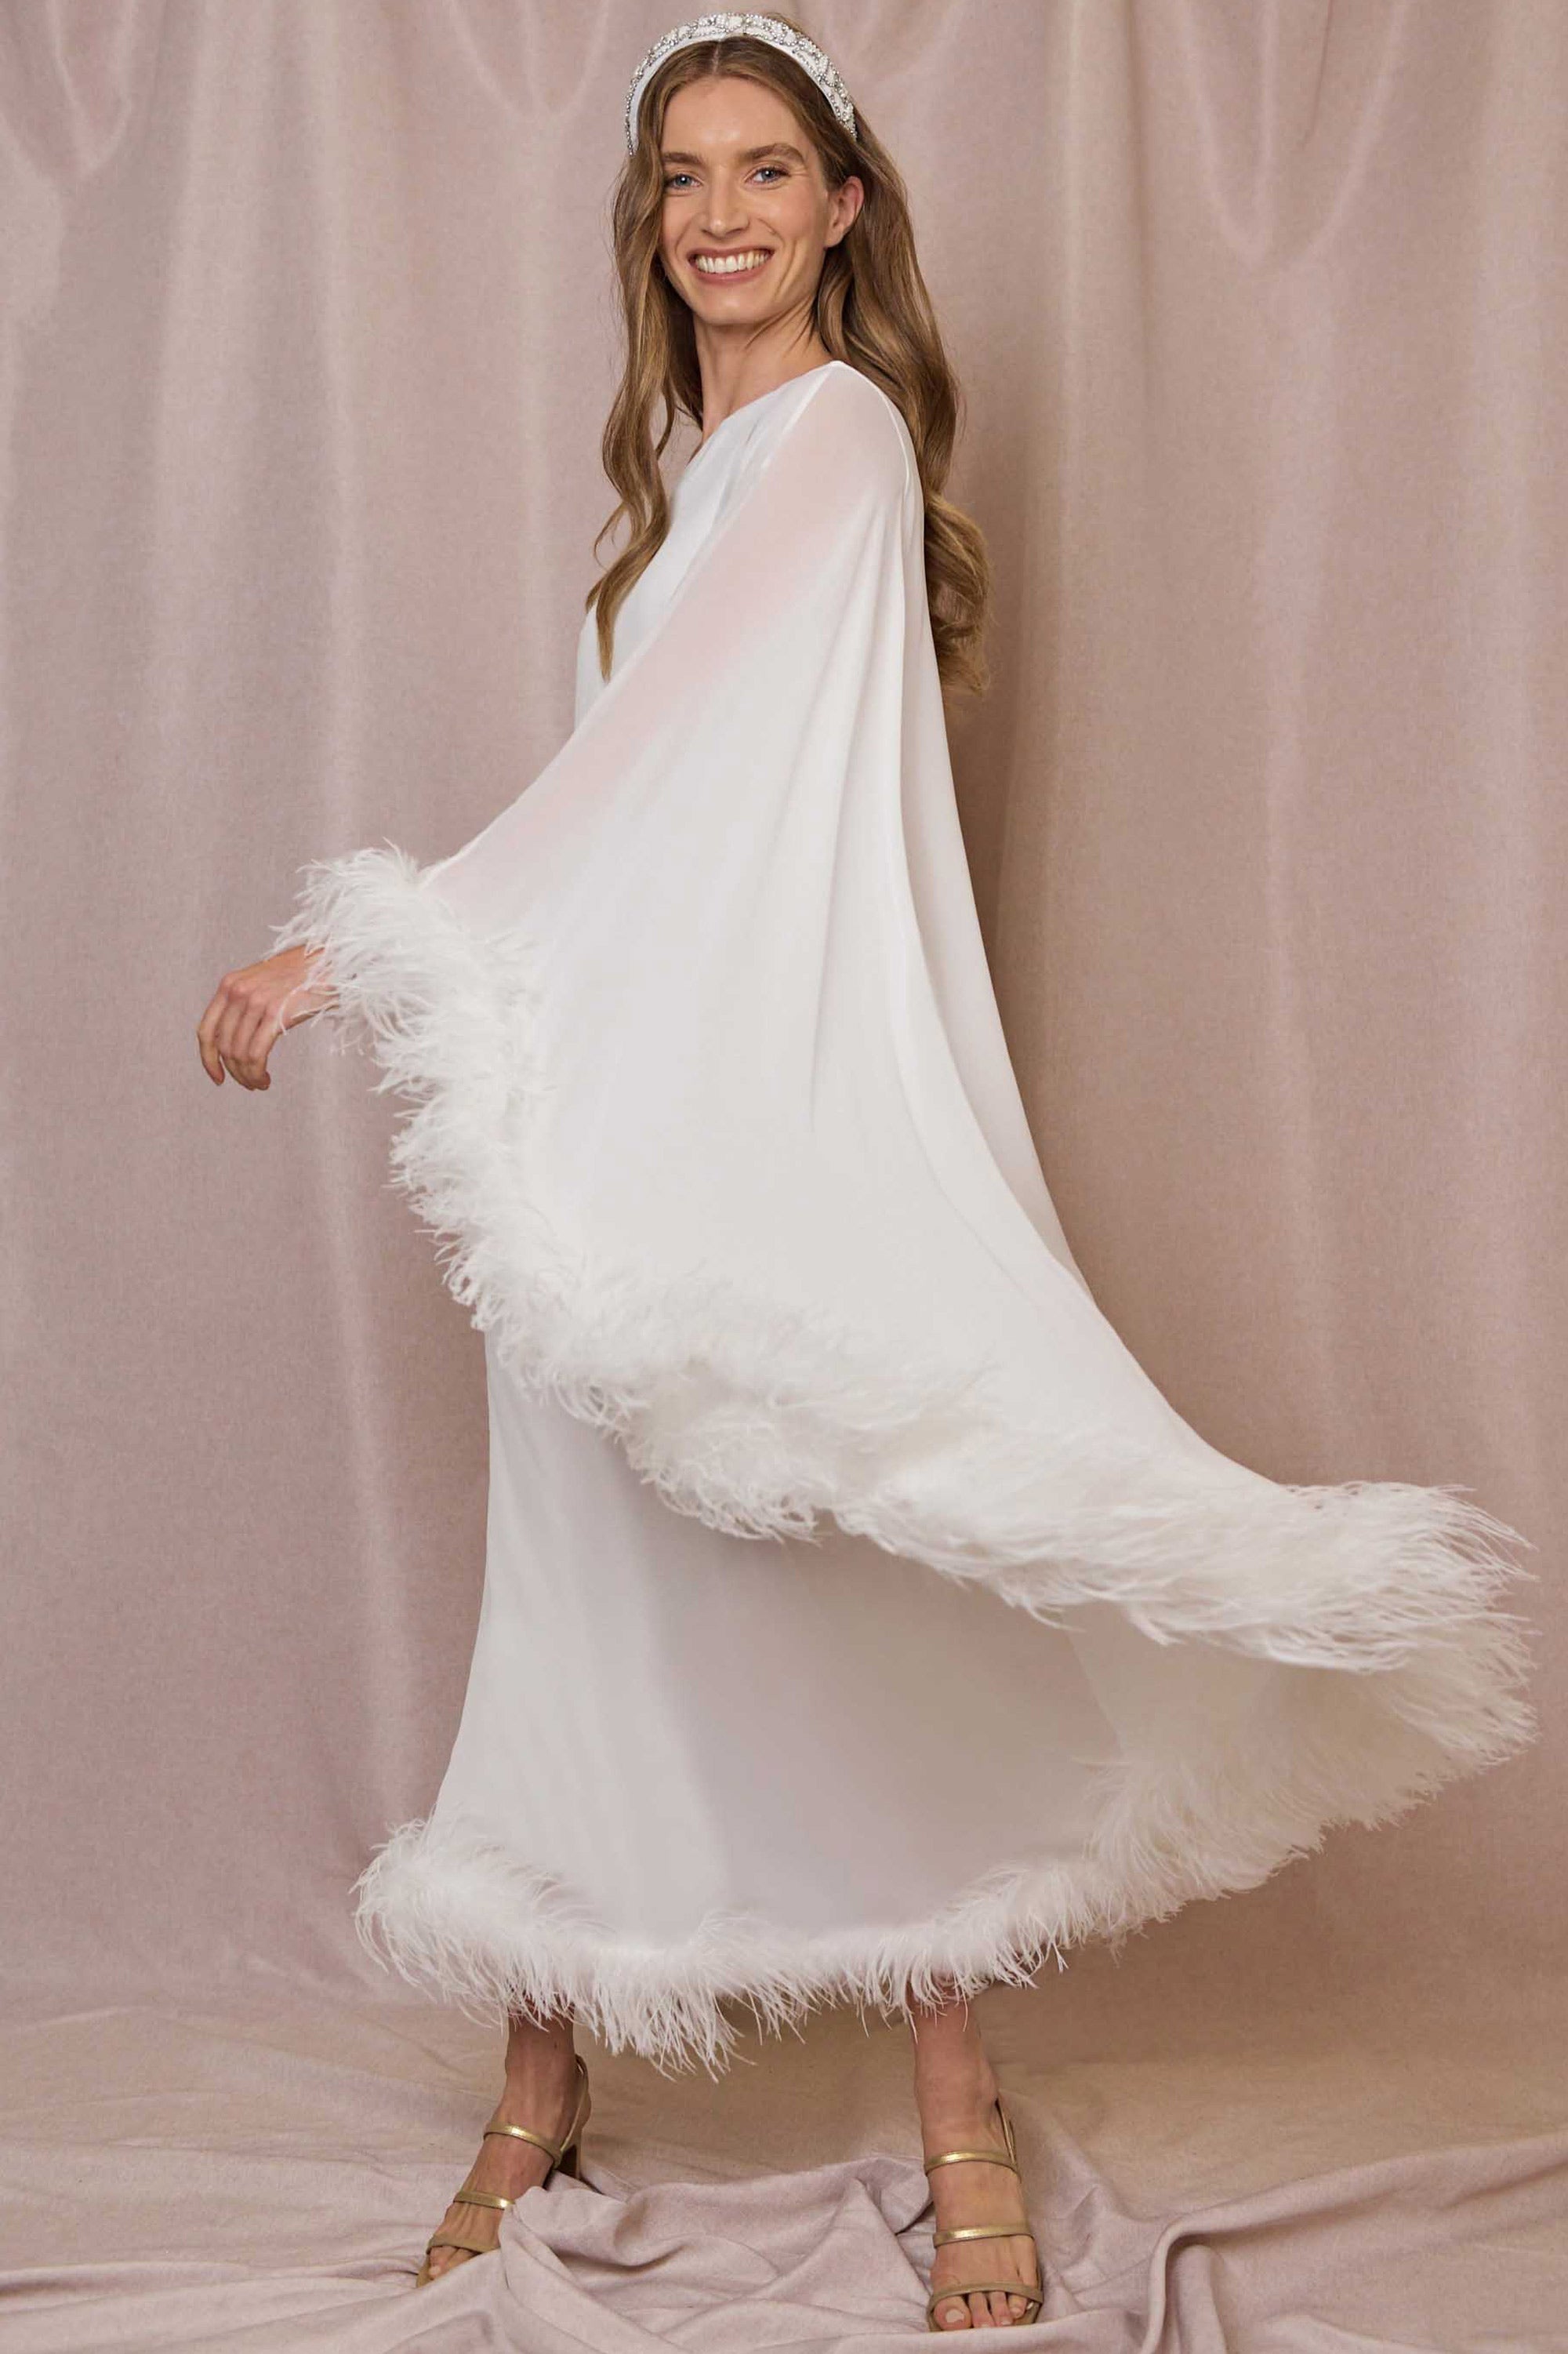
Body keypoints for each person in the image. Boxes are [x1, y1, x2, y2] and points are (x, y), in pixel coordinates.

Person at [196, 13, 1537, 2331]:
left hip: (750, 1115)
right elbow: (654, 793)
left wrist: (362, 938)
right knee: (588, 1588)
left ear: (840, 203)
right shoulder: (685, 482)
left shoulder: (828, 438)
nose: (718, 212)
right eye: (680, 177)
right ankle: (545, 2065)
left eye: (763, 169)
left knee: (852, 1572)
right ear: (653, 221)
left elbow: (678, 778)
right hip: (612, 1104)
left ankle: (953, 2103)